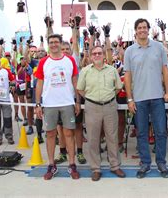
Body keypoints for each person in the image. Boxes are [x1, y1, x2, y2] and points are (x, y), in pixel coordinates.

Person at [124, 18, 168, 179]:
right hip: (139, 99)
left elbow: (165, 70)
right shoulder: (129, 51)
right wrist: (130, 99)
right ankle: (145, 163)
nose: (142, 30)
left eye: (145, 27)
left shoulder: (158, 47)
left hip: (158, 97)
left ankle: (161, 162)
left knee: (161, 132)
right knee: (142, 133)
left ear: (148, 29)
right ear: (135, 31)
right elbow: (128, 76)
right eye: (139, 27)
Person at [35, 34, 81, 180]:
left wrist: (78, 101)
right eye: (51, 42)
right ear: (48, 45)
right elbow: (40, 83)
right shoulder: (43, 62)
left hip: (67, 102)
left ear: (61, 44)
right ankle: (51, 164)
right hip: (49, 104)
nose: (54, 44)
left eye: (56, 42)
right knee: (50, 134)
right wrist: (37, 104)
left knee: (69, 134)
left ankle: (72, 164)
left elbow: (75, 81)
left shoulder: (70, 60)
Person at [77, 45, 126, 181]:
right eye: (94, 53)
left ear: (104, 55)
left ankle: (115, 166)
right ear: (91, 56)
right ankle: (96, 168)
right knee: (93, 138)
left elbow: (117, 88)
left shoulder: (112, 70)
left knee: (112, 137)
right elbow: (80, 89)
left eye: (99, 53)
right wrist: (91, 98)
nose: (97, 55)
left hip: (110, 106)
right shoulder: (85, 71)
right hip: (92, 107)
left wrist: (108, 97)